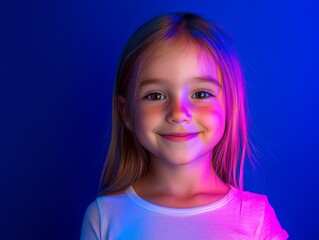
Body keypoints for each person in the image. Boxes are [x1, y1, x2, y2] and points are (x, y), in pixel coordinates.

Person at [80, 12, 288, 240]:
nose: (179, 114)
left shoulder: (255, 218)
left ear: (230, 107)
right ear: (127, 112)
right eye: (156, 95)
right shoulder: (104, 217)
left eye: (200, 94)